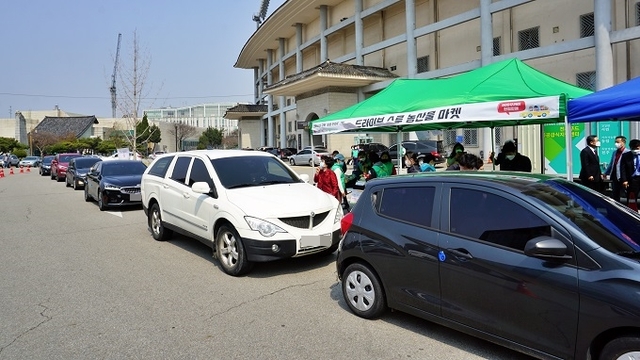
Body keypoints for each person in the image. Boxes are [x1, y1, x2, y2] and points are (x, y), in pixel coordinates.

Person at [604, 136, 629, 202]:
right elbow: (611, 164)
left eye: (618, 142)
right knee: (615, 194)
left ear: (623, 142)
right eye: (615, 142)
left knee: (626, 194)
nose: (616, 143)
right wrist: (606, 173)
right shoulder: (614, 152)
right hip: (615, 176)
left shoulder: (628, 152)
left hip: (624, 177)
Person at [620, 139, 640, 206]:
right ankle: (632, 211)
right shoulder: (626, 156)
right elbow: (622, 169)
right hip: (632, 180)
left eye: (637, 148)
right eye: (633, 148)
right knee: (632, 197)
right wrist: (624, 180)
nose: (635, 150)